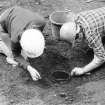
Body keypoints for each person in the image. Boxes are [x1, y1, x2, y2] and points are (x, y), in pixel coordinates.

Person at [0, 6, 46, 81]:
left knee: (24, 56)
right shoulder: (15, 38)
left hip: (15, 13)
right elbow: (16, 54)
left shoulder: (41, 22)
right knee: (18, 57)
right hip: (2, 24)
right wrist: (29, 68)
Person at [59, 7, 105, 76]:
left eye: (76, 40)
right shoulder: (78, 17)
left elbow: (101, 58)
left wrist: (83, 70)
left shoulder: (91, 34)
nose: (77, 42)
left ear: (78, 34)